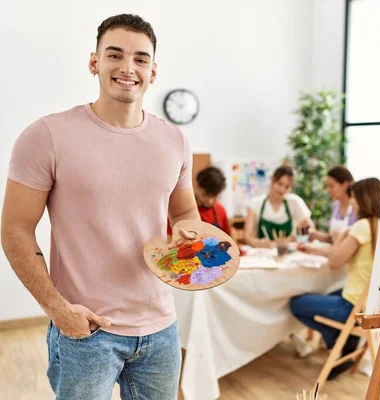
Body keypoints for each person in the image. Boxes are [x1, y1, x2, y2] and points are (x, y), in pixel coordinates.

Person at [1, 14, 198, 399]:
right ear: (94, 62)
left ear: (153, 71)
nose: (128, 68)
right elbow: (15, 228)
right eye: (115, 55)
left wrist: (187, 235)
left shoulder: (174, 140)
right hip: (86, 331)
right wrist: (57, 309)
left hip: (161, 328)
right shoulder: (47, 136)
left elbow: (186, 215)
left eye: (141, 59)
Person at [290, 178, 380, 380]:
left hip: (354, 306)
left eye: (355, 199)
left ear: (364, 199)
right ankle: (346, 339)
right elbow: (339, 254)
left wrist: (341, 238)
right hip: (376, 304)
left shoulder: (362, 226)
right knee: (326, 293)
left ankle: (338, 342)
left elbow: (335, 261)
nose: (352, 203)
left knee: (297, 304)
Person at [244, 165, 314, 248]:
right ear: (272, 180)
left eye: (287, 187)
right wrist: (258, 243)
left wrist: (294, 238)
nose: (282, 190)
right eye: (280, 184)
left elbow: (311, 229)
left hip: (287, 253)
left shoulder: (294, 202)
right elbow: (247, 237)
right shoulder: (255, 204)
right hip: (263, 255)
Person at [167, 166, 231, 237]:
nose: (209, 200)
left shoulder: (221, 210)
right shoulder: (181, 210)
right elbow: (169, 238)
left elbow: (228, 240)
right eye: (205, 195)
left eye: (214, 196)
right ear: (197, 186)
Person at [310, 165, 358, 243]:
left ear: (345, 185)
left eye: (331, 186)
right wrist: (315, 235)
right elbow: (332, 239)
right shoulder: (335, 206)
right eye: (327, 186)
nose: (328, 190)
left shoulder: (356, 207)